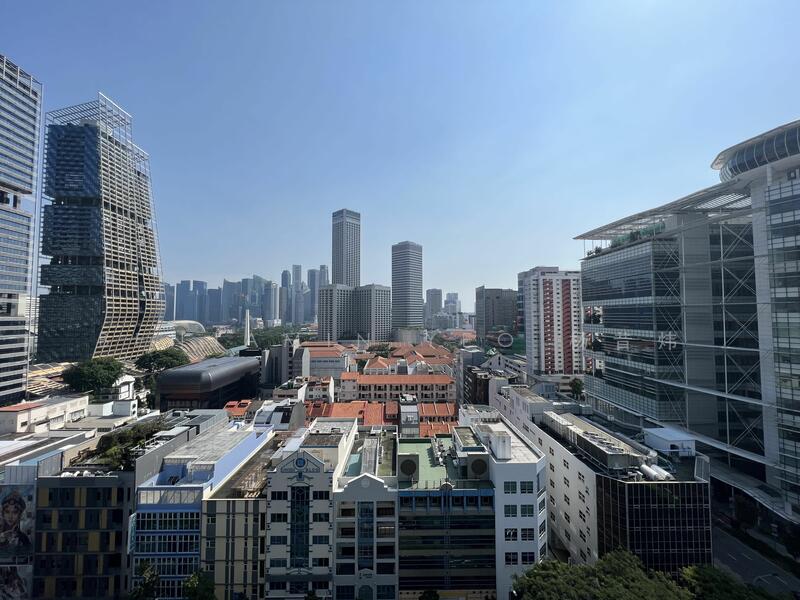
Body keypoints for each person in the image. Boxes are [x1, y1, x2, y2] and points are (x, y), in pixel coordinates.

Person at [0, 491, 31, 556]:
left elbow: (28, 553)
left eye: (15, 512)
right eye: (7, 512)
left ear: (20, 515)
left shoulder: (23, 538)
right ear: (3, 513)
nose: (10, 516)